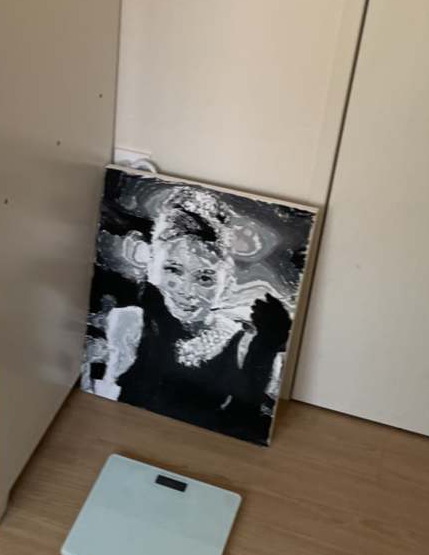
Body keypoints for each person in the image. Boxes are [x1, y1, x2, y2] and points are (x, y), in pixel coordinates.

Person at [87, 186, 291, 445]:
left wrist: (263, 353)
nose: (186, 292)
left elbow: (249, 430)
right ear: (152, 264)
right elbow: (108, 399)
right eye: (173, 269)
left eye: (204, 278)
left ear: (226, 282)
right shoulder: (129, 322)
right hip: (129, 441)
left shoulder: (246, 347)